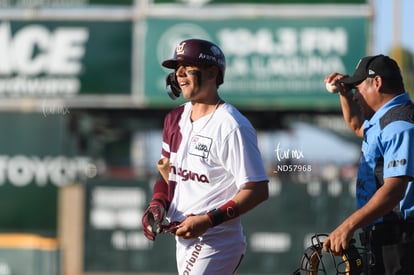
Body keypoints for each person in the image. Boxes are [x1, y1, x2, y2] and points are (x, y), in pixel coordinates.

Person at [141, 38, 269, 274]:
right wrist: (157, 203)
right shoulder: (174, 118)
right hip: (184, 236)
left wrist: (208, 220)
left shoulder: (231, 125)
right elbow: (169, 176)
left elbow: (258, 189)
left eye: (187, 67)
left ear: (212, 73)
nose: (179, 74)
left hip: (216, 239)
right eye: (176, 69)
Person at [323, 54, 414, 274]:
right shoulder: (386, 118)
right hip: (385, 234)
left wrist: (348, 226)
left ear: (377, 82)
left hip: (400, 238)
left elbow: (394, 190)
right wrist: (344, 93)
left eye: (358, 88)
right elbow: (356, 125)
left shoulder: (400, 124)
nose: (356, 97)